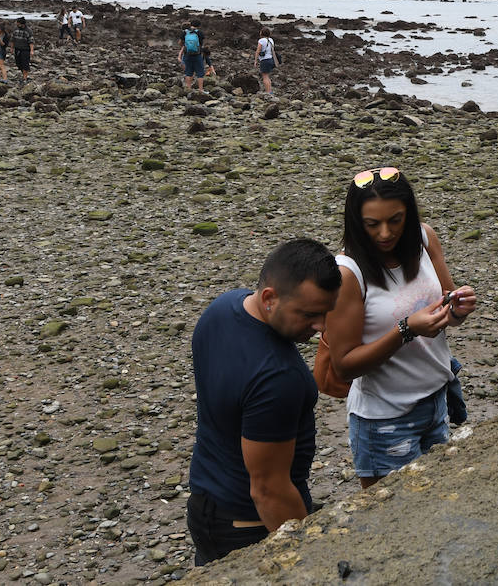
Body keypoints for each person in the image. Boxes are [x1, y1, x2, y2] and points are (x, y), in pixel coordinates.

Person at [186, 238, 342, 566]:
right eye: (310, 314)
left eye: (327, 312)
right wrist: (310, 559)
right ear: (270, 298)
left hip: (204, 503)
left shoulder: (222, 308)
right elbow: (268, 491)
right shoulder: (278, 377)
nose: (321, 326)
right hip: (250, 526)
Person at [322, 167, 477, 487]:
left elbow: (446, 306)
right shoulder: (348, 272)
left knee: (438, 505)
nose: (384, 233)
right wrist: (406, 330)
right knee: (392, 525)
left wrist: (458, 309)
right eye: (372, 224)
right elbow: (343, 366)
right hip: (384, 419)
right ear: (356, 223)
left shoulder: (424, 238)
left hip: (436, 401)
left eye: (395, 220)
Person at [180, 20, 206, 92]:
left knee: (188, 72)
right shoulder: (199, 33)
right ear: (199, 26)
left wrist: (184, 46)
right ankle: (201, 89)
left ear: (190, 24)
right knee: (200, 73)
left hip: (187, 54)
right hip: (197, 55)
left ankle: (189, 89)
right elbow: (201, 43)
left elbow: (180, 42)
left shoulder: (185, 32)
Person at [254, 27, 281, 94]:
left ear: (262, 33)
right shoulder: (271, 40)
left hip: (265, 60)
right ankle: (269, 91)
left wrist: (255, 61)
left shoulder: (261, 40)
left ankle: (268, 92)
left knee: (265, 77)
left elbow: (258, 51)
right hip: (271, 59)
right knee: (267, 76)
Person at [10, 17, 34, 84]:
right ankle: (24, 75)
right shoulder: (15, 29)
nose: (16, 24)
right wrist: (11, 48)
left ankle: (25, 78)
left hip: (25, 50)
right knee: (18, 64)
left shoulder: (28, 31)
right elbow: (12, 39)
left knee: (25, 64)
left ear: (21, 24)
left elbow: (31, 41)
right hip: (17, 49)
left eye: (17, 23)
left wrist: (32, 50)